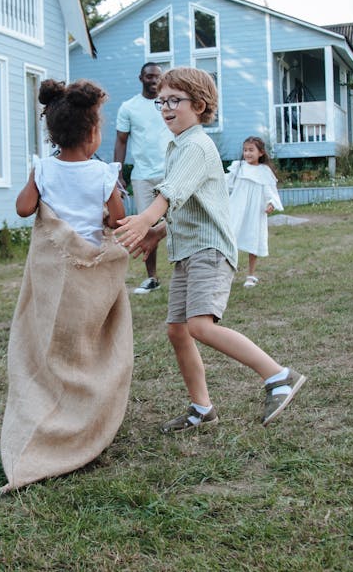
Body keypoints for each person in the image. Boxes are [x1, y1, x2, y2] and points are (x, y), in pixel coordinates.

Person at [114, 67, 305, 432]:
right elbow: (188, 204)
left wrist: (144, 219)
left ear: (199, 105)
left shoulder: (198, 146)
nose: (166, 108)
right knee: (177, 330)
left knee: (200, 326)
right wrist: (157, 232)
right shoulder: (178, 145)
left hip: (210, 251)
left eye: (175, 101)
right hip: (188, 251)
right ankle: (201, 409)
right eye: (161, 102)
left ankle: (278, 375)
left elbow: (170, 193)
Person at [1, 79, 132, 492]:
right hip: (89, 277)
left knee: (50, 345)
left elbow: (23, 209)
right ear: (93, 134)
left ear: (53, 133)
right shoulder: (101, 174)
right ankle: (82, 416)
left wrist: (38, 180)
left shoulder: (43, 168)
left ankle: (48, 410)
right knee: (86, 348)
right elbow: (115, 218)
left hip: (53, 274)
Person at [114, 62, 171, 294]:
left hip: (170, 173)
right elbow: (121, 141)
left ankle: (185, 272)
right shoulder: (129, 107)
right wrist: (117, 173)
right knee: (145, 226)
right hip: (142, 176)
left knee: (180, 221)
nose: (153, 80)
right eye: (149, 76)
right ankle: (152, 278)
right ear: (141, 78)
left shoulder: (169, 104)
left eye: (157, 76)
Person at [226, 136, 283, 288]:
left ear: (261, 153)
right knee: (231, 239)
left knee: (253, 239)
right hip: (237, 209)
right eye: (245, 150)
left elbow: (270, 191)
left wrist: (271, 203)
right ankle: (229, 272)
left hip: (255, 211)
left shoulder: (264, 171)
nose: (247, 153)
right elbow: (227, 185)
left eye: (251, 150)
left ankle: (251, 275)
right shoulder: (238, 167)